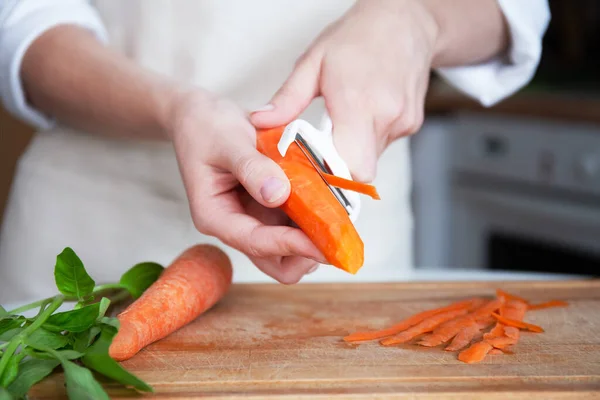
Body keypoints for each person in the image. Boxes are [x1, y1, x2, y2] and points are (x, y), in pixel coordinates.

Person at [0, 0, 550, 303]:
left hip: (335, 248)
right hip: (89, 225)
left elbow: (519, 11)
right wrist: (175, 108)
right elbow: (22, 18)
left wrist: (419, 18)